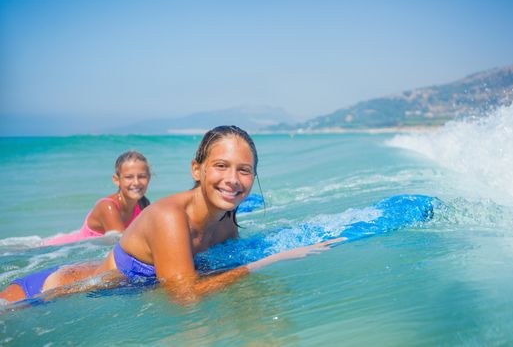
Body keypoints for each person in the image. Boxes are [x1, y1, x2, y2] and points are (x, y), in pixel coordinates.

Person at [0, 126, 343, 304]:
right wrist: (272, 260)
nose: (233, 180)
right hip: (47, 295)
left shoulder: (225, 223)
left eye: (245, 170)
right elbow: (185, 297)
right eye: (221, 166)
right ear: (197, 169)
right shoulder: (168, 217)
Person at [43, 151, 152, 246]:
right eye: (129, 177)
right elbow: (122, 244)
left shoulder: (143, 205)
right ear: (116, 180)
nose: (136, 182)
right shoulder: (108, 206)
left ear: (149, 178)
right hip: (60, 248)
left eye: (142, 176)